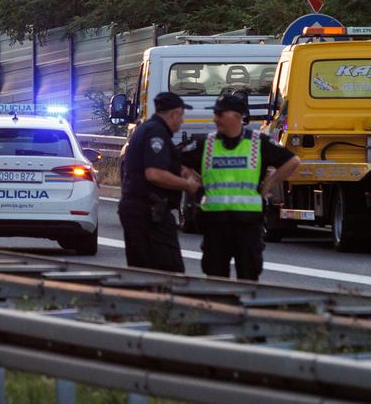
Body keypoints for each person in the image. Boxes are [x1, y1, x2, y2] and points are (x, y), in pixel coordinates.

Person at [186, 91, 301, 282]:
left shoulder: (257, 143)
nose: (215, 119)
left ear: (236, 117)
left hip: (247, 226)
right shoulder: (206, 144)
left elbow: (293, 161)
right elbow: (176, 162)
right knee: (215, 281)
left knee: (248, 278)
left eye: (220, 115)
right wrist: (193, 184)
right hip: (215, 225)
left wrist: (268, 185)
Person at [117, 91, 199, 273]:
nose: (182, 121)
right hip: (148, 212)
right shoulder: (157, 133)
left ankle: (147, 300)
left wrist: (179, 169)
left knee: (143, 271)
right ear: (174, 114)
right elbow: (154, 174)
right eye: (181, 116)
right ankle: (159, 301)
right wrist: (187, 184)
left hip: (139, 210)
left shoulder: (147, 128)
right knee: (169, 270)